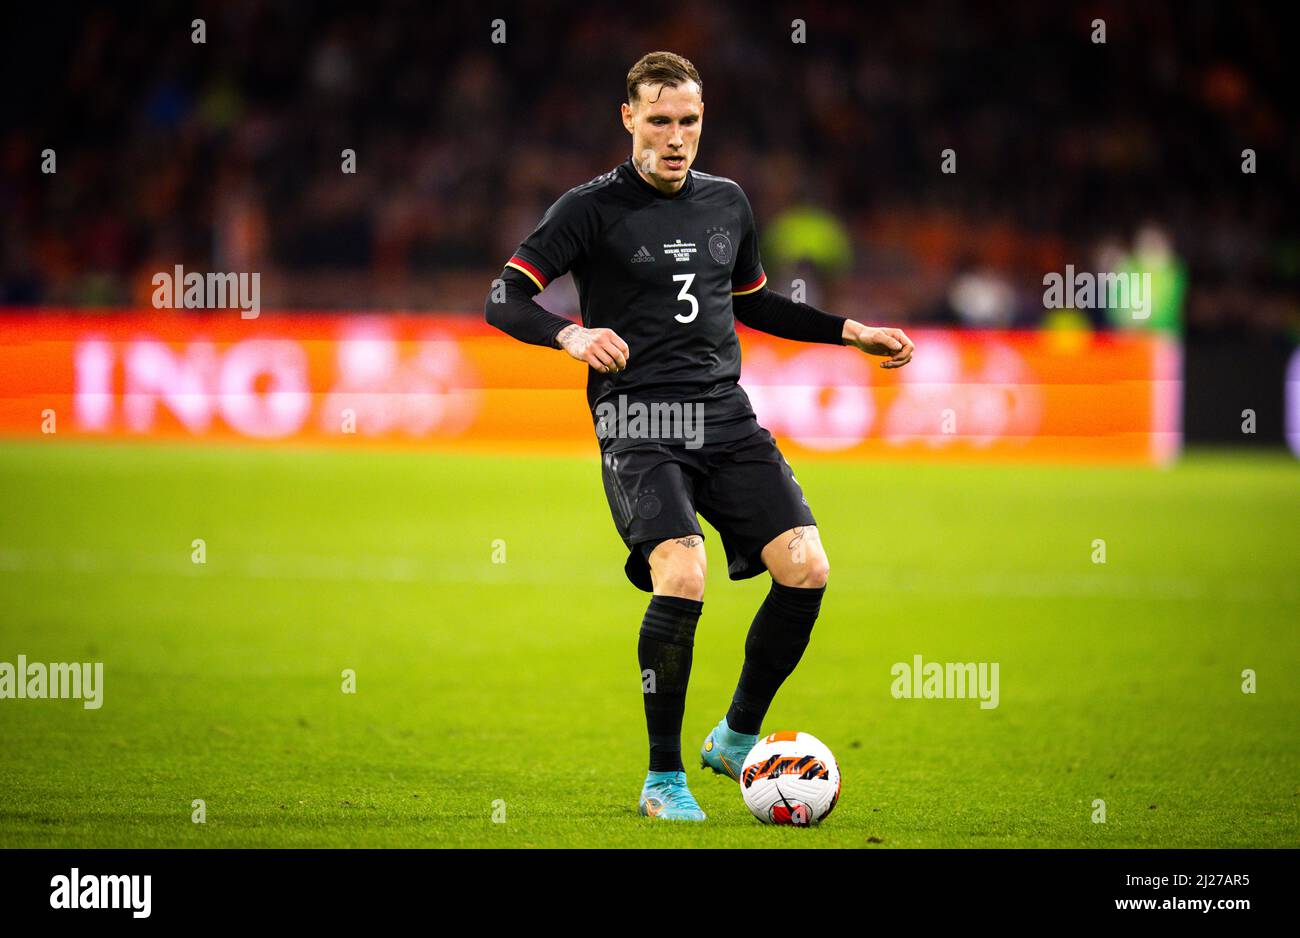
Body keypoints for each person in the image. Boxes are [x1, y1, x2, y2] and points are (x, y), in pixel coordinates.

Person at [485, 51, 913, 820]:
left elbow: (754, 302)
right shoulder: (587, 209)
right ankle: (663, 779)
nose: (675, 138)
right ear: (629, 120)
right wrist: (571, 337)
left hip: (724, 414)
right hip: (640, 420)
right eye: (659, 121)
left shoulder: (727, 203)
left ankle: (735, 735)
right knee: (683, 574)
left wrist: (849, 330)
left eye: (689, 121)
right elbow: (503, 298)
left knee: (808, 567)